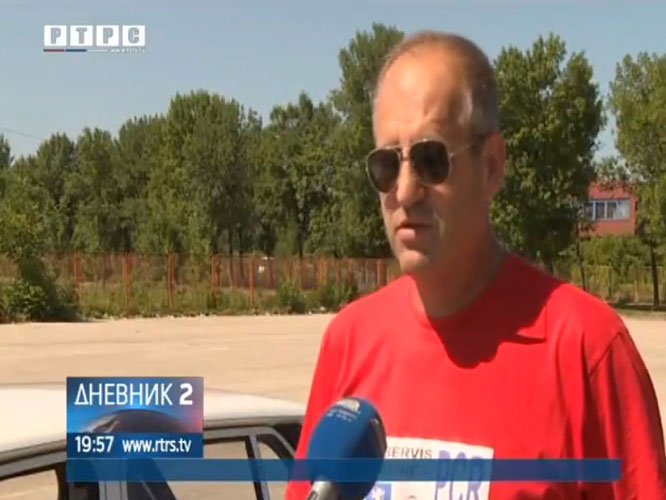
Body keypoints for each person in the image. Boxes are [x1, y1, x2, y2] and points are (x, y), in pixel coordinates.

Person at [284, 30, 666, 500]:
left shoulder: (587, 351)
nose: (404, 191)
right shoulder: (348, 342)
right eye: (387, 164)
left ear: (491, 165)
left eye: (430, 160)